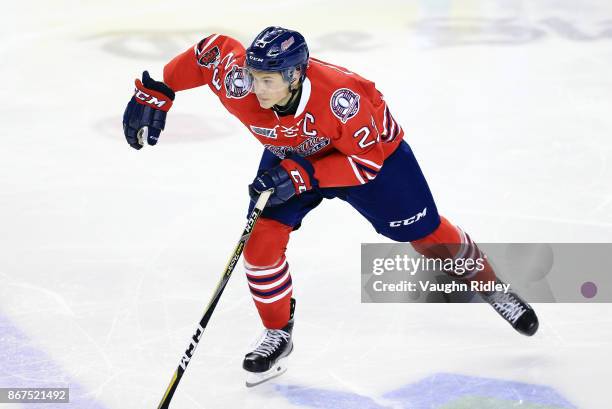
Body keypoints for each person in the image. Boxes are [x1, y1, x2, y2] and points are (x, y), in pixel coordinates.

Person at [122, 26, 539, 387]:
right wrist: (156, 91)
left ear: (294, 75)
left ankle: (490, 286)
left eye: (268, 81)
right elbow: (206, 52)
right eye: (254, 77)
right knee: (260, 244)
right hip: (291, 155)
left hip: (373, 160)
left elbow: (365, 163)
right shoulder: (241, 82)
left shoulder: (345, 97)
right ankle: (277, 334)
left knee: (424, 235)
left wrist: (302, 175)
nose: (256, 89)